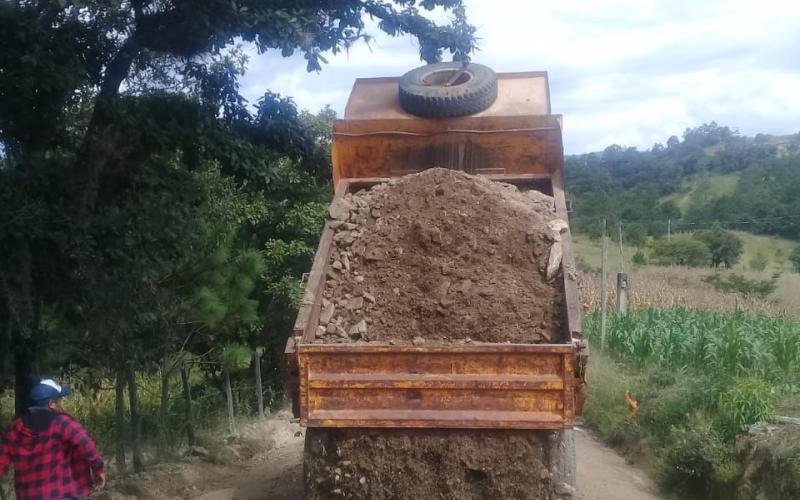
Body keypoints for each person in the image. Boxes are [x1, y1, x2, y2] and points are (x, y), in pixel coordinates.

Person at [0, 379, 106, 500]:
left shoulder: (14, 428)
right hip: (60, 494)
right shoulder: (63, 423)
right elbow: (86, 444)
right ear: (51, 404)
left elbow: (1, 461)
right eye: (59, 400)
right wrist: (98, 469)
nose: (61, 404)